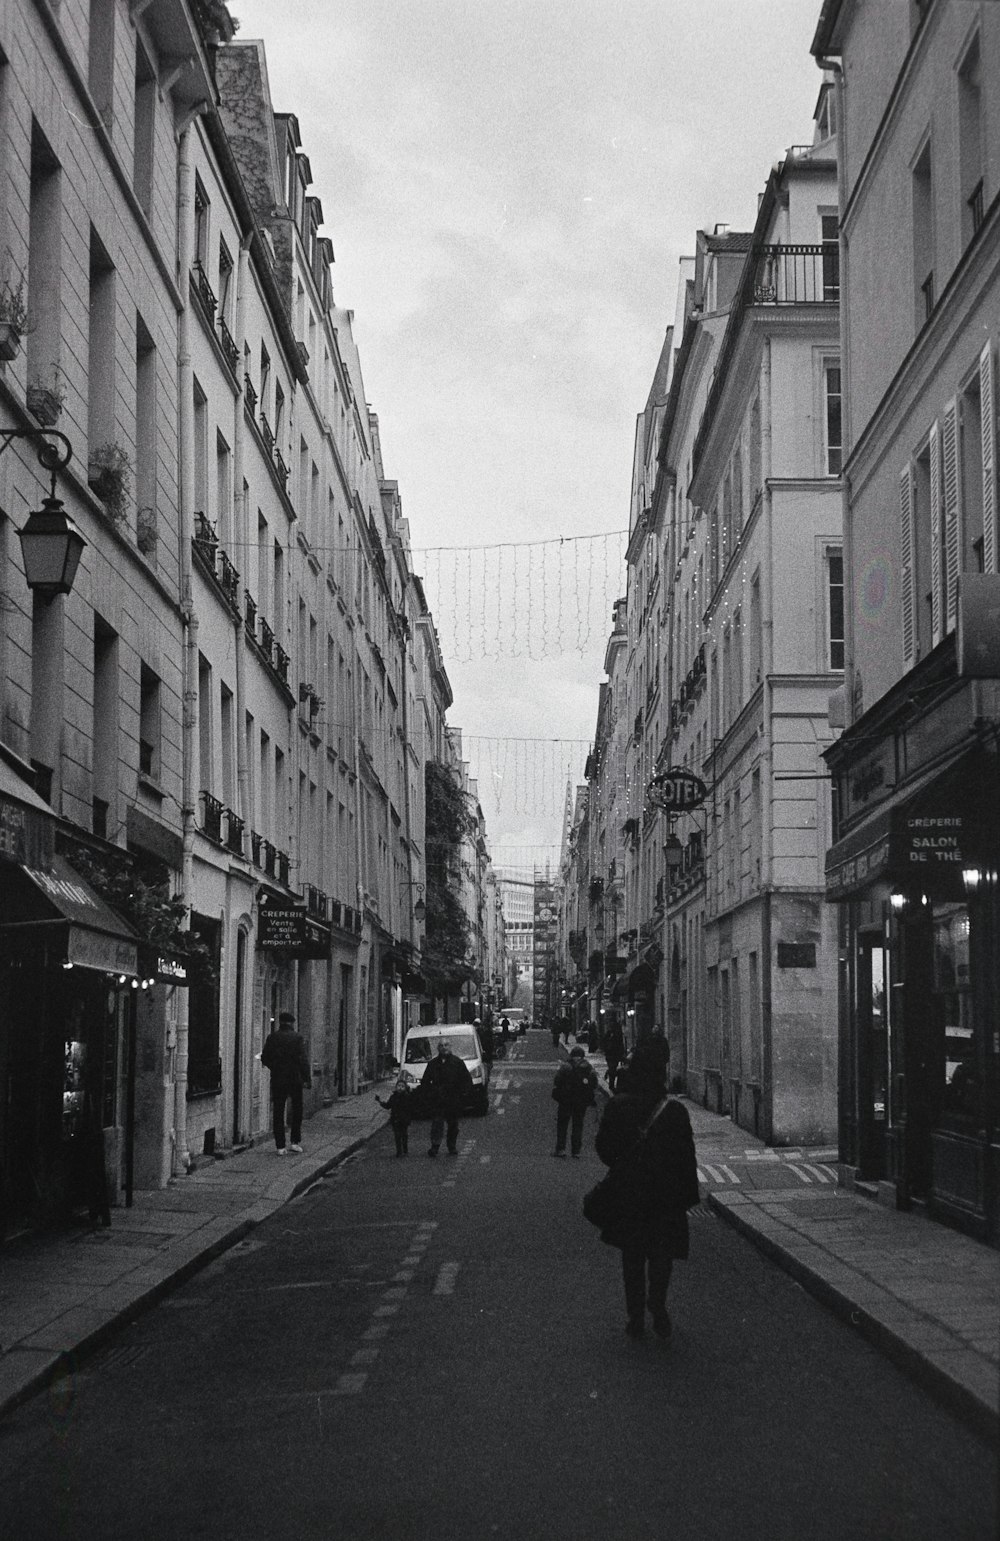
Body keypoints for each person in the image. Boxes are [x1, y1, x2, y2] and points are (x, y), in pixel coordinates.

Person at [594, 1040, 699, 1340]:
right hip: (665, 1197)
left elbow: (603, 1149)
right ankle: (658, 1303)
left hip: (631, 1194)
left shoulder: (619, 1105)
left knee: (633, 1256)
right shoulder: (675, 1110)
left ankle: (636, 1316)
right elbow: (686, 1157)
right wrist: (687, 1196)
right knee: (661, 1255)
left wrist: (622, 1166)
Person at [260, 1011, 311, 1155]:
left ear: (280, 1023)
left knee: (278, 1111)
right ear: (292, 1023)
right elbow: (303, 1060)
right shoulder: (297, 1038)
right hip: (295, 1078)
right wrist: (307, 1078)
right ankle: (294, 1142)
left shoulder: (273, 1037)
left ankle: (280, 1146)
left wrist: (275, 1067)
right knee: (297, 1110)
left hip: (278, 1078)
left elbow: (265, 1058)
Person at [421, 1036, 474, 1156]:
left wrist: (463, 1095)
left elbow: (466, 1080)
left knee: (453, 1125)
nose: (444, 1048)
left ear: (450, 1047)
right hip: (438, 1099)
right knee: (437, 1123)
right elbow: (425, 1081)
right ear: (438, 1048)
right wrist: (429, 1094)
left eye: (446, 1045)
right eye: (441, 1046)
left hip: (453, 1099)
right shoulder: (433, 1064)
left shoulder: (457, 1062)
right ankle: (435, 1146)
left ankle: (451, 1146)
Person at [551, 1044, 599, 1157]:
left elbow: (557, 1081)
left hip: (566, 1099)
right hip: (581, 1100)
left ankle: (561, 1149)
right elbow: (594, 1083)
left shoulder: (565, 1066)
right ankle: (576, 1151)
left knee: (562, 1124)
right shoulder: (588, 1067)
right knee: (578, 1124)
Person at [376, 1077, 414, 1156]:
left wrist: (409, 1118)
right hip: (395, 1119)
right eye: (398, 1086)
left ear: (405, 1088)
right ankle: (399, 1151)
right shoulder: (393, 1097)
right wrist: (379, 1101)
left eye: (402, 1086)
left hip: (404, 1120)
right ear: (396, 1087)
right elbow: (388, 1106)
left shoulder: (407, 1097)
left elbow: (411, 1108)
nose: (400, 1088)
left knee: (404, 1134)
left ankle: (405, 1149)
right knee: (397, 1135)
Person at [603, 1021, 626, 1092]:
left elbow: (620, 1045)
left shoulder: (617, 1034)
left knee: (613, 1068)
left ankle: (610, 1078)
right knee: (612, 1068)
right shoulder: (610, 1034)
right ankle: (611, 1085)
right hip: (611, 1055)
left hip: (614, 1054)